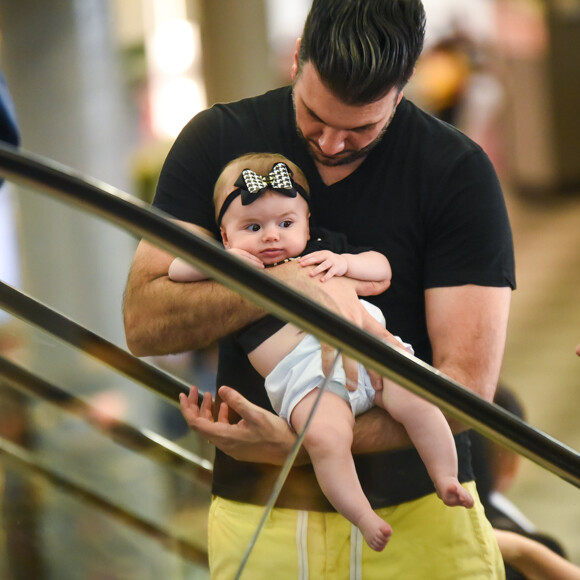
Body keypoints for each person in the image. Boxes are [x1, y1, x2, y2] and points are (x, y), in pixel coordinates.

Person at [123, 0, 515, 577]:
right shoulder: (217, 142)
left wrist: (302, 442)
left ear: (402, 92)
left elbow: (467, 390)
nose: (331, 144)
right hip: (261, 514)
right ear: (297, 59)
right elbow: (145, 322)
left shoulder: (455, 172)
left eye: (361, 128)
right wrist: (294, 285)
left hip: (421, 518)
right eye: (314, 117)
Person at [170, 152, 474, 551]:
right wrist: (221, 259)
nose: (271, 236)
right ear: (226, 236)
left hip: (371, 353)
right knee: (326, 440)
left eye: (285, 223)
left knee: (421, 401)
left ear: (307, 221)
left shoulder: (322, 249)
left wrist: (345, 261)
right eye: (252, 226)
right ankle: (364, 516)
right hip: (308, 381)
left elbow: (382, 269)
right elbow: (177, 269)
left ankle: (445, 476)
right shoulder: (233, 273)